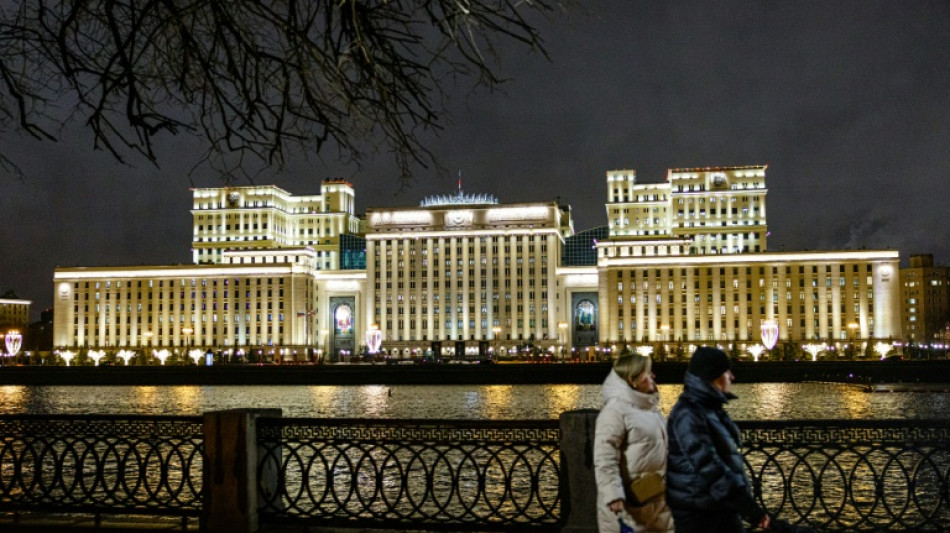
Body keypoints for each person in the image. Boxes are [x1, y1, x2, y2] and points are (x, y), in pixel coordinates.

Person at [665, 346, 769, 532]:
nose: (732, 377)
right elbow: (707, 464)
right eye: (726, 371)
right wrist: (746, 505)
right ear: (714, 376)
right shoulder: (690, 412)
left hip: (718, 506)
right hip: (699, 513)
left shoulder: (709, 407)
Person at [594, 353, 674, 533]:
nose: (653, 376)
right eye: (647, 373)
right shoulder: (615, 411)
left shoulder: (650, 410)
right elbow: (604, 458)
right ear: (632, 380)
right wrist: (613, 495)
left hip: (656, 499)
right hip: (630, 505)